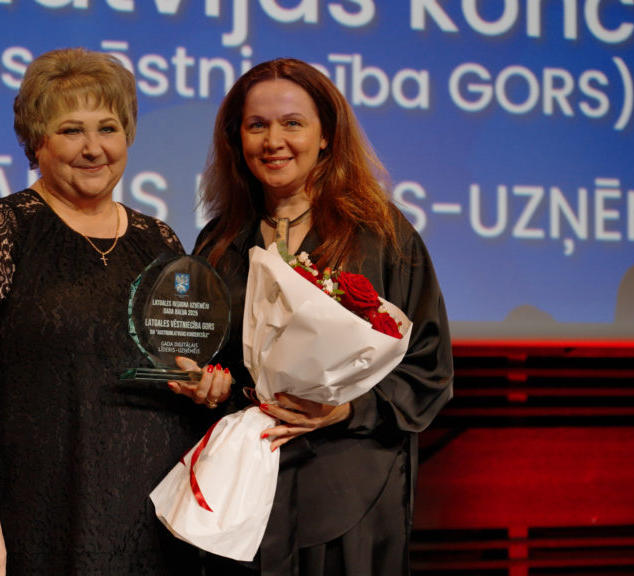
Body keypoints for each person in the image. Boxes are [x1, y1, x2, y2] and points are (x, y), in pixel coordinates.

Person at [0, 47, 232, 576]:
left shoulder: (158, 238)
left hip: (150, 517)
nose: (93, 148)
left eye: (108, 128)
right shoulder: (2, 227)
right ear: (36, 141)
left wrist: (202, 386)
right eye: (71, 131)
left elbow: (174, 365)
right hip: (34, 510)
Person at [193, 58, 454, 575]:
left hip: (348, 489)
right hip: (242, 491)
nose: (274, 141)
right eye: (256, 125)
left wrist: (347, 409)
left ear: (327, 136)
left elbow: (429, 366)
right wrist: (207, 384)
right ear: (237, 139)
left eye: (292, 123)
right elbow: (205, 356)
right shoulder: (218, 243)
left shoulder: (382, 234)